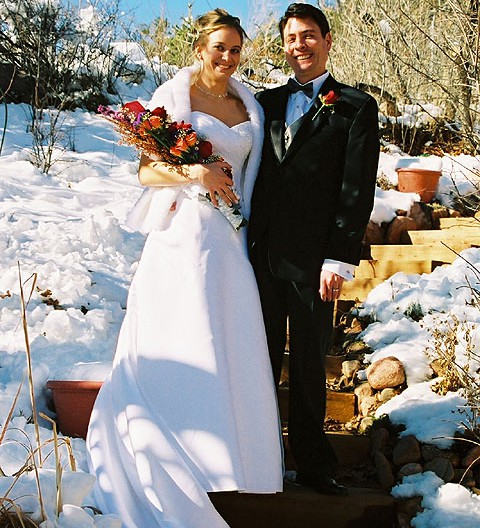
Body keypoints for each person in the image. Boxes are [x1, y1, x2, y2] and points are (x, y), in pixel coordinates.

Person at [86, 9, 283, 527]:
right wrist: (193, 171)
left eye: (236, 49)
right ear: (200, 49)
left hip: (232, 239)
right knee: (184, 335)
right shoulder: (173, 97)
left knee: (228, 342)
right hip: (185, 234)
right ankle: (173, 448)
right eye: (219, 46)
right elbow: (147, 170)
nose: (227, 57)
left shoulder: (249, 104)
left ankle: (224, 461)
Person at [248, 3, 379, 496]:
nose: (298, 45)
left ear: (327, 40)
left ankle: (313, 464)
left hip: (314, 262)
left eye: (308, 35)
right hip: (259, 257)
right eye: (290, 37)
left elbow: (355, 189)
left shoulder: (354, 107)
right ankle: (259, 458)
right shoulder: (264, 103)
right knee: (258, 359)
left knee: (306, 362)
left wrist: (338, 258)